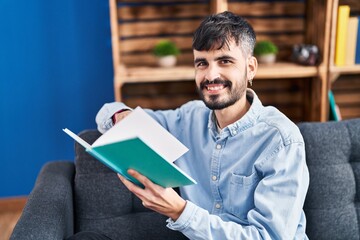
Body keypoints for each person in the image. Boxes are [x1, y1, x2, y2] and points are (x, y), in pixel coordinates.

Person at [79, 11, 309, 239]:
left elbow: (270, 237)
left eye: (224, 61)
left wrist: (180, 211)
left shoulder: (281, 140)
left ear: (251, 68)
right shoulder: (189, 117)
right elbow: (107, 115)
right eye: (202, 63)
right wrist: (122, 115)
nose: (211, 75)